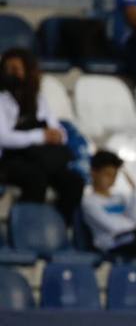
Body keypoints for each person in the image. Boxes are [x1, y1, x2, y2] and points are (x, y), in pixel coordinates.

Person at [0, 48, 82, 222]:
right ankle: (27, 228)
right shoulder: (2, 99)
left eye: (15, 69)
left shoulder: (38, 99)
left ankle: (59, 225)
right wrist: (40, 136)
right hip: (9, 160)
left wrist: (58, 135)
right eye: (7, 69)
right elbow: (3, 138)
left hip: (38, 157)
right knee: (36, 178)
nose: (11, 74)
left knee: (73, 181)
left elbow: (55, 128)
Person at [81, 150, 136, 258]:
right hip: (112, 243)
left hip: (131, 237)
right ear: (94, 173)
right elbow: (113, 226)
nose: (111, 179)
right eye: (107, 174)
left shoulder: (119, 197)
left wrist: (135, 191)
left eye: (114, 175)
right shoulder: (89, 202)